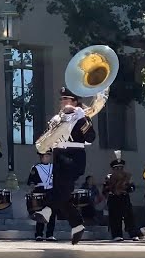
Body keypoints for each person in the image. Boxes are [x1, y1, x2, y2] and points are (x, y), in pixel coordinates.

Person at [32, 86, 97, 244]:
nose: (63, 102)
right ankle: (77, 225)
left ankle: (47, 210)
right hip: (59, 156)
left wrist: (81, 117)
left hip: (74, 157)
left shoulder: (82, 117)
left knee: (60, 191)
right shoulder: (57, 118)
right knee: (63, 195)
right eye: (62, 99)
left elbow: (90, 138)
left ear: (75, 102)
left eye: (66, 99)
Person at [103, 152, 136, 241]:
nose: (119, 169)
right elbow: (104, 190)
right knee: (114, 217)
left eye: (121, 167)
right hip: (113, 198)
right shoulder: (109, 177)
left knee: (129, 216)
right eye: (117, 168)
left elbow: (132, 187)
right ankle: (116, 235)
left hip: (124, 197)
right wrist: (112, 188)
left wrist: (128, 187)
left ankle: (133, 234)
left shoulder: (127, 176)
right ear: (113, 169)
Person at [27, 150, 56, 241]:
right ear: (41, 157)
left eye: (48, 156)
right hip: (40, 190)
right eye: (45, 156)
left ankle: (50, 234)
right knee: (40, 213)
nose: (47, 158)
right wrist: (31, 191)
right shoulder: (36, 167)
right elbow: (31, 181)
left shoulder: (53, 167)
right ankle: (39, 234)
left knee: (52, 213)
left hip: (51, 191)